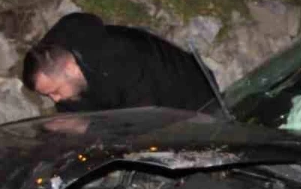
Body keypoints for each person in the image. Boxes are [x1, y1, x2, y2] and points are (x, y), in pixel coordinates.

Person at [22, 12, 218, 113]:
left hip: (196, 96)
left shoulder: (121, 58)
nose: (54, 99)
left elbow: (141, 119)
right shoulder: (62, 63)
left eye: (54, 91)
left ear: (71, 68)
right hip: (146, 101)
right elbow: (78, 112)